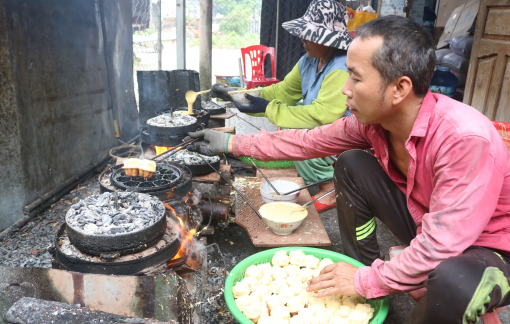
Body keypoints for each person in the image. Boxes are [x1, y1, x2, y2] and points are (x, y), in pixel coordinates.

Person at [187, 15, 510, 323]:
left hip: (488, 250)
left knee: (455, 281)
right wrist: (230, 145)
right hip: (426, 222)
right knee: (352, 163)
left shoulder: (463, 138)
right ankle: (362, 266)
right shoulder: (374, 124)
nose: (345, 88)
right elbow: (307, 141)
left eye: (355, 77)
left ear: (399, 88)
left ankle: (369, 279)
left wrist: (367, 281)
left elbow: (443, 245)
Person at [211, 0, 354, 212]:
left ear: (329, 39)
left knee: (296, 126)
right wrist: (241, 96)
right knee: (291, 113)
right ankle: (322, 177)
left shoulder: (341, 67)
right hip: (325, 131)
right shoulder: (309, 61)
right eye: (304, 33)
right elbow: (283, 91)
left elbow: (322, 116)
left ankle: (330, 187)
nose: (303, 39)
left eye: (311, 35)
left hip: (345, 138)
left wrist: (269, 109)